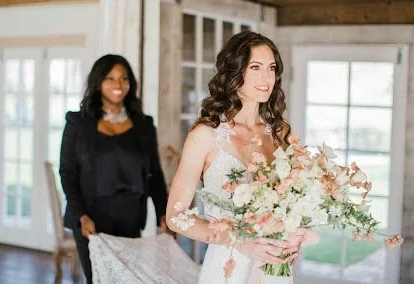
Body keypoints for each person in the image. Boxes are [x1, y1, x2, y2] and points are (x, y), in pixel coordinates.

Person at [166, 31, 305, 283]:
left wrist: (294, 237)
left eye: (271, 68)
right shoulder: (205, 135)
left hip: (275, 270)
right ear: (234, 72)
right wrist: (238, 240)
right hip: (227, 267)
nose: (266, 78)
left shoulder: (280, 133)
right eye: (255, 67)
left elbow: (293, 204)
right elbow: (175, 217)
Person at [59, 54, 170, 283]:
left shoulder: (144, 125)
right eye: (110, 78)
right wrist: (81, 215)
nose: (118, 85)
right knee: (98, 278)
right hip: (90, 216)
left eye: (124, 78)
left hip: (129, 215)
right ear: (98, 82)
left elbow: (154, 174)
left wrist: (164, 214)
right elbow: (67, 172)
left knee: (124, 278)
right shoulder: (77, 123)